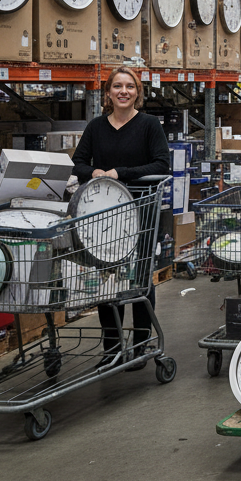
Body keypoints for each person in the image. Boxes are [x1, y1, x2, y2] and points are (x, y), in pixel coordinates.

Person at [72, 67, 170, 368]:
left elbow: (162, 163)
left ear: (137, 93)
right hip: (104, 214)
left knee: (139, 278)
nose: (123, 91)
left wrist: (120, 174)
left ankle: (140, 344)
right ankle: (112, 348)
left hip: (141, 211)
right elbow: (78, 162)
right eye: (117, 86)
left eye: (129, 86)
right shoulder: (96, 127)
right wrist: (94, 172)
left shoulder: (149, 125)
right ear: (108, 93)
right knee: (107, 281)